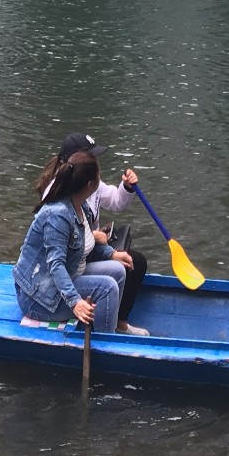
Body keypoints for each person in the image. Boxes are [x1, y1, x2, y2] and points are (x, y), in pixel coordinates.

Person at [13, 149, 124, 335]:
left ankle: (105, 327)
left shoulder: (81, 205)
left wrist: (111, 254)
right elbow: (55, 264)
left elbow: (83, 246)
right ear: (90, 184)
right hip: (38, 297)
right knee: (107, 288)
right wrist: (75, 302)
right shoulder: (58, 215)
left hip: (69, 274)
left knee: (118, 271)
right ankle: (105, 342)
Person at [53, 132, 149, 332]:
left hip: (92, 249)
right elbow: (59, 248)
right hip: (74, 256)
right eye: (91, 157)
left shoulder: (91, 183)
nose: (96, 163)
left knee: (134, 262)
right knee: (119, 273)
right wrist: (93, 236)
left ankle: (118, 322)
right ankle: (105, 328)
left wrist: (127, 187)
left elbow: (116, 202)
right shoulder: (58, 195)